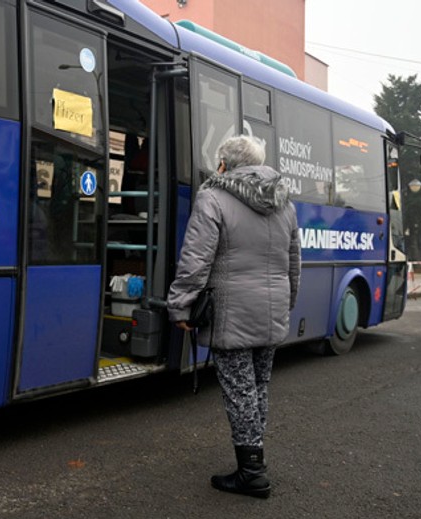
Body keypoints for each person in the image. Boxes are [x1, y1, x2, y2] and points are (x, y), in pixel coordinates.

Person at [167, 135, 300, 499]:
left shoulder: (213, 197)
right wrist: (287, 303)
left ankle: (252, 474)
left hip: (233, 313)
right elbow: (293, 263)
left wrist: (180, 305)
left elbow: (196, 259)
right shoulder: (283, 203)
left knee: (240, 392)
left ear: (224, 163)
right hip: (271, 313)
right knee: (258, 388)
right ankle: (254, 461)